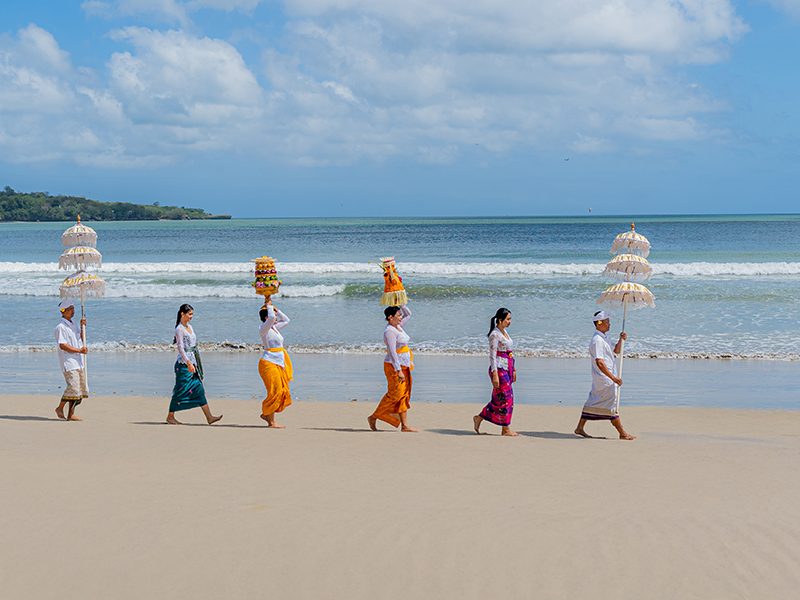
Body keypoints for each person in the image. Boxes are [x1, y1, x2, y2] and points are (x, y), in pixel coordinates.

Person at [574, 310, 635, 440]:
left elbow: (616, 351)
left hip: (607, 376)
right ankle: (622, 433)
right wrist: (613, 378)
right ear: (599, 324)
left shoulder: (604, 338)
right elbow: (600, 362)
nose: (609, 324)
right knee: (612, 403)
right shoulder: (597, 340)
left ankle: (579, 428)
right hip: (605, 378)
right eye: (607, 322)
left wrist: (621, 340)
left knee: (593, 401)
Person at [166, 304, 222, 425]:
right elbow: (180, 348)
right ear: (182, 314)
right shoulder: (179, 329)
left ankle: (209, 417)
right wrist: (188, 363)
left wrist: (194, 363)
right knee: (180, 391)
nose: (191, 316)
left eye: (192, 314)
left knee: (198, 388)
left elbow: (192, 346)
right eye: (189, 314)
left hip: (193, 362)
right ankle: (170, 417)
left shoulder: (190, 326)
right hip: (183, 364)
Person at [368, 305, 418, 432]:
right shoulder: (389, 331)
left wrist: (400, 303)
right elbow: (392, 352)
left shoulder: (398, 327)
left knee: (403, 394)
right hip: (393, 366)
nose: (401, 317)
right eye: (398, 315)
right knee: (394, 394)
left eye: (400, 315)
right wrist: (398, 370)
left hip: (404, 365)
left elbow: (409, 314)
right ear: (390, 318)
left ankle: (405, 425)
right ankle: (373, 417)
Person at [474, 308, 520, 436]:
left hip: (508, 367)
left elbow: (510, 352)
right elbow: (492, 356)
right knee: (507, 398)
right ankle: (505, 429)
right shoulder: (494, 334)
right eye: (508, 319)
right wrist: (495, 375)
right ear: (500, 320)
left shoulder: (504, 332)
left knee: (498, 399)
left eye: (510, 319)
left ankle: (479, 418)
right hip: (499, 369)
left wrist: (514, 370)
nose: (510, 321)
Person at [258, 297, 293, 427]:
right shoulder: (264, 329)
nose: (275, 317)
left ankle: (267, 415)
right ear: (266, 318)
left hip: (279, 363)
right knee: (274, 391)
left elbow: (287, 320)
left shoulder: (274, 328)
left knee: (282, 390)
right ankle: (271, 421)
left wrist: (276, 309)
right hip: (268, 363)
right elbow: (272, 318)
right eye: (273, 314)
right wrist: (268, 305)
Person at [54, 300, 88, 421]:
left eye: (73, 308)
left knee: (80, 389)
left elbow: (81, 339)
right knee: (73, 387)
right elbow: (62, 345)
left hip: (79, 360)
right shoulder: (60, 327)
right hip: (68, 361)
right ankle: (59, 408)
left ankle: (71, 414)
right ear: (63, 312)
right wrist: (79, 351)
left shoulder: (74, 324)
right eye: (70, 309)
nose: (73, 311)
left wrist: (83, 326)